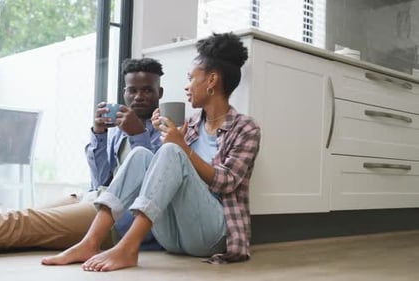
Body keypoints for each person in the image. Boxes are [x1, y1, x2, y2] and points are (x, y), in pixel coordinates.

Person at [41, 32, 261, 271]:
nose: (186, 86)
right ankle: (90, 242)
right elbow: (161, 178)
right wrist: (166, 137)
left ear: (211, 80)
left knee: (171, 151)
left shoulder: (246, 128)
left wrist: (181, 147)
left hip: (214, 236)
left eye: (191, 78)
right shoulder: (191, 125)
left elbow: (226, 182)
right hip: (175, 237)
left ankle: (128, 248)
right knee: (142, 155)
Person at [0, 58, 165, 258]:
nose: (138, 97)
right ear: (124, 91)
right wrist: (99, 135)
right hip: (92, 196)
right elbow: (101, 178)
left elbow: (152, 187)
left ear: (159, 93)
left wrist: (139, 136)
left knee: (16, 225)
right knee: (16, 222)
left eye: (147, 91)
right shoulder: (118, 128)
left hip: (115, 217)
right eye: (132, 90)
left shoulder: (167, 132)